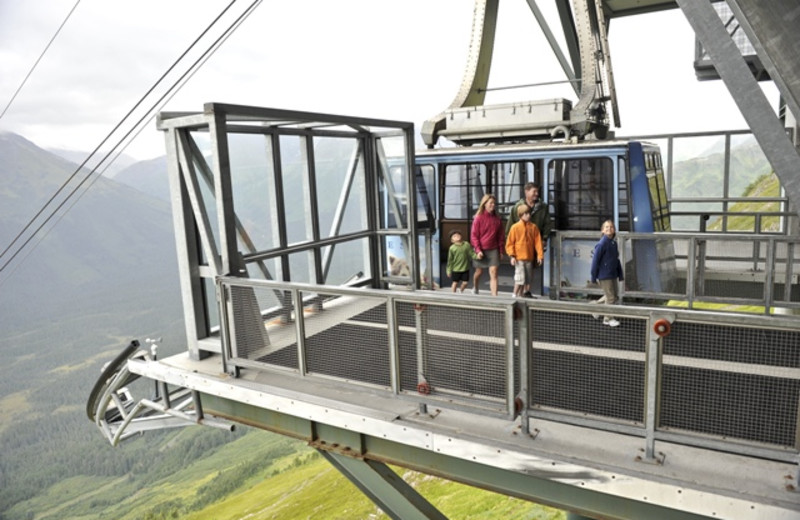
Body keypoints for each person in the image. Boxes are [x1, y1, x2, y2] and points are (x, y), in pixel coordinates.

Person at [505, 182, 552, 297]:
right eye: (534, 191)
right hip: (520, 249)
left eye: (537, 191)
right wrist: (512, 254)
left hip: (535, 244)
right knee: (520, 274)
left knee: (530, 271)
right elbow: (509, 229)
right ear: (526, 192)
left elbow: (547, 224)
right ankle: (517, 294)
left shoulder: (543, 207)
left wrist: (544, 238)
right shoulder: (517, 207)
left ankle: (526, 292)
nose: (536, 194)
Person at [590, 220, 624, 327]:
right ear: (602, 230)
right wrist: (593, 276)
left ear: (614, 230)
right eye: (606, 227)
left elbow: (616, 260)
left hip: (612, 274)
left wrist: (620, 274)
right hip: (604, 275)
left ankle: (595, 307)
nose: (609, 229)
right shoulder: (601, 244)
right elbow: (595, 261)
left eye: (611, 227)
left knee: (614, 296)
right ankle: (608, 319)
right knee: (610, 297)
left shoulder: (613, 243)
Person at [505, 204, 543, 298]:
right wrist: (512, 256)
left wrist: (540, 256)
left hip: (529, 257)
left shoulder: (533, 227)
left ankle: (521, 294)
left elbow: (538, 243)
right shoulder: (515, 227)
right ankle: (514, 294)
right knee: (519, 278)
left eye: (529, 213)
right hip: (519, 258)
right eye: (525, 213)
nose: (528, 215)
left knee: (527, 278)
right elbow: (510, 243)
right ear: (520, 215)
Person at [470, 194, 505, 296]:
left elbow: (501, 236)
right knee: (479, 272)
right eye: (490, 203)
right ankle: (475, 287)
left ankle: (494, 296)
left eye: (494, 203)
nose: (493, 205)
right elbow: (474, 236)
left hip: (493, 249)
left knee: (494, 272)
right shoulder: (478, 218)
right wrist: (478, 250)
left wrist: (501, 251)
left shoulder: (497, 219)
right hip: (480, 249)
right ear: (484, 204)